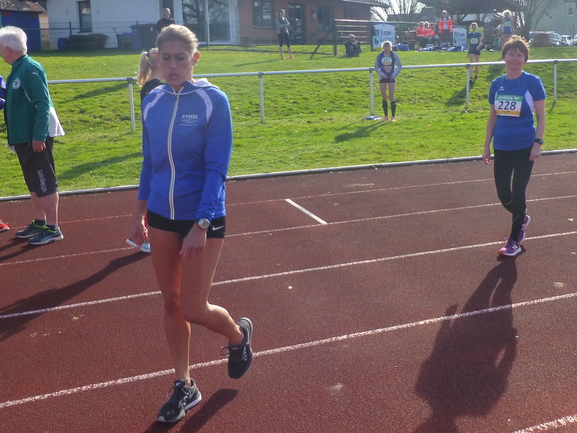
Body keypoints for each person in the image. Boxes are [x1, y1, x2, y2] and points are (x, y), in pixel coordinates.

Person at [128, 24, 253, 424]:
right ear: (156, 59)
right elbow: (149, 163)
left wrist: (201, 222)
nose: (172, 65)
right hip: (161, 215)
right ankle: (184, 383)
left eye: (180, 58)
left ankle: (237, 336)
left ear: (194, 59)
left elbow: (218, 168)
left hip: (202, 215)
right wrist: (138, 215)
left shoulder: (213, 100)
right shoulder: (152, 100)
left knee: (194, 308)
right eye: (165, 58)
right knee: (171, 302)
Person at [0, 26, 65, 246]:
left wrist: (39, 135)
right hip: (22, 138)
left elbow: (43, 103)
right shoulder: (17, 70)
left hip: (34, 138)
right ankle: (39, 222)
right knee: (34, 182)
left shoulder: (31, 68)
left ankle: (53, 227)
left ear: (8, 49)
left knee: (45, 181)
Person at [483, 36, 545, 257]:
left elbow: (541, 116)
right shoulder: (496, 84)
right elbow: (492, 118)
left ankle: (514, 240)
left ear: (525, 59)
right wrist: (486, 146)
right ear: (504, 57)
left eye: (519, 55)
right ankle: (522, 217)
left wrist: (537, 143)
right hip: (501, 145)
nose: (515, 58)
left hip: (524, 145)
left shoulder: (532, 82)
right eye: (511, 54)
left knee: (518, 192)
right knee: (503, 193)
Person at [127, 48, 164, 254]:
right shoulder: (156, 88)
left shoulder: (149, 86)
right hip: (156, 146)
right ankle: (150, 236)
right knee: (155, 191)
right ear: (160, 61)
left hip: (152, 143)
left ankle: (149, 234)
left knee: (154, 189)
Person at [375, 40, 402, 122]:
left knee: (391, 96)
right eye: (385, 47)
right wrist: (382, 74)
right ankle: (386, 116)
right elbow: (376, 67)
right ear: (383, 47)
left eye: (388, 47)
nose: (387, 49)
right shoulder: (379, 56)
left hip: (391, 77)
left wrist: (394, 74)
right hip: (383, 77)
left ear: (390, 47)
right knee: (384, 96)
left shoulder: (394, 55)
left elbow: (399, 65)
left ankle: (393, 116)